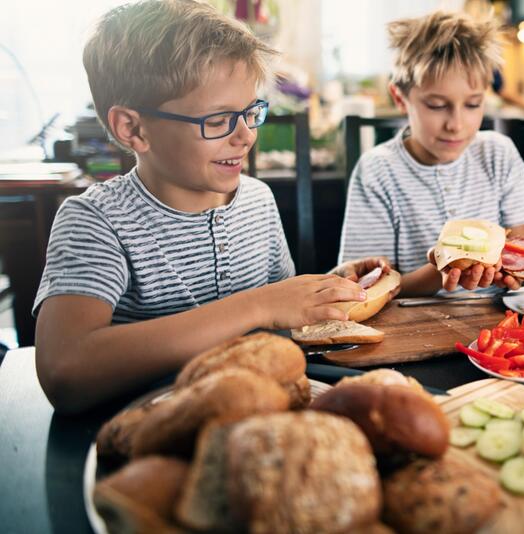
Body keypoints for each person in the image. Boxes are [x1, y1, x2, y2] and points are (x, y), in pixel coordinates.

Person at [33, 0, 380, 414]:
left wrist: (325, 289)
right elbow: (65, 371)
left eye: (250, 112)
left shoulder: (257, 200)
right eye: (217, 121)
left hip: (259, 415)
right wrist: (260, 303)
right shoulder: (96, 221)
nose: (246, 136)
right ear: (133, 128)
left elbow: (282, 320)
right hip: (148, 433)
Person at [337, 11, 524, 297]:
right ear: (400, 98)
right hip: (413, 327)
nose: (456, 124)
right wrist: (443, 270)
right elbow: (368, 289)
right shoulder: (377, 170)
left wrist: (510, 274)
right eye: (436, 105)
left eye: (472, 105)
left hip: (497, 323)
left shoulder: (499, 154)